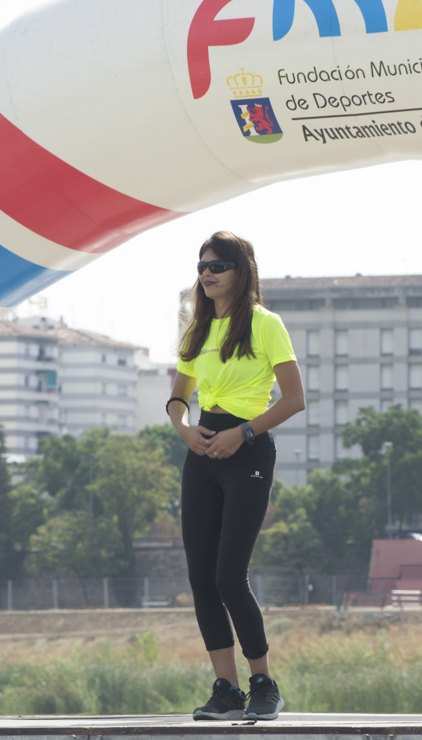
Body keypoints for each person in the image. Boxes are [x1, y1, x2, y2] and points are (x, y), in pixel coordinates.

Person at [166, 231, 305, 721]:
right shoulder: (197, 330)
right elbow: (178, 397)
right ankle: (225, 689)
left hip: (246, 452)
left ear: (241, 271)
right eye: (202, 265)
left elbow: (294, 399)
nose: (207, 273)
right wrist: (183, 428)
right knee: (201, 577)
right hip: (201, 451)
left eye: (218, 265)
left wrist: (242, 434)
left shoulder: (266, 325)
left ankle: (264, 684)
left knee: (229, 576)